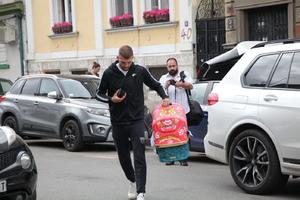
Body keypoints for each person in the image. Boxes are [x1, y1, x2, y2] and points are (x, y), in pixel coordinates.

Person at [96, 45, 170, 200]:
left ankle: (141, 191)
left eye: (129, 62)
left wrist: (165, 97)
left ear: (132, 59)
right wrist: (112, 99)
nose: (126, 65)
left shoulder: (140, 71)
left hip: (137, 121)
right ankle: (132, 180)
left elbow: (156, 84)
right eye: (123, 62)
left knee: (139, 155)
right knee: (123, 157)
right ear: (118, 58)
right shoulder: (109, 73)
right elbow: (99, 94)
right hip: (118, 122)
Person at [159, 57, 193, 166]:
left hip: (183, 112)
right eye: (170, 66)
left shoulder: (184, 75)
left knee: (183, 135)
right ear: (167, 67)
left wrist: (181, 84)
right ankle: (170, 158)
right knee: (170, 135)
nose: (172, 68)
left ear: (177, 66)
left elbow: (191, 86)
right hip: (169, 113)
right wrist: (166, 85)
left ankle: (183, 157)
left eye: (174, 66)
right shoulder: (164, 78)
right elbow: (160, 91)